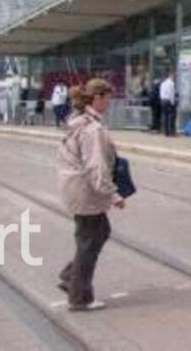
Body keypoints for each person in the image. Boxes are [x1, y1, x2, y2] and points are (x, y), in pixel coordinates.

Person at [56, 78, 125, 312]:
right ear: (98, 98)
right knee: (89, 241)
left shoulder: (77, 120)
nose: (109, 103)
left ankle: (71, 276)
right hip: (85, 191)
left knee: (97, 233)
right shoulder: (91, 129)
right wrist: (113, 194)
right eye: (108, 98)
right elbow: (96, 166)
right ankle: (79, 297)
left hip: (75, 188)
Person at [159, 72, 177, 137]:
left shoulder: (163, 83)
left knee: (165, 116)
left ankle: (166, 132)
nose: (174, 78)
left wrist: (162, 99)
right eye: (174, 76)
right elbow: (171, 93)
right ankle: (172, 132)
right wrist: (172, 102)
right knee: (172, 117)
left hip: (163, 100)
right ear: (171, 76)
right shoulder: (171, 83)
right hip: (168, 101)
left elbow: (160, 93)